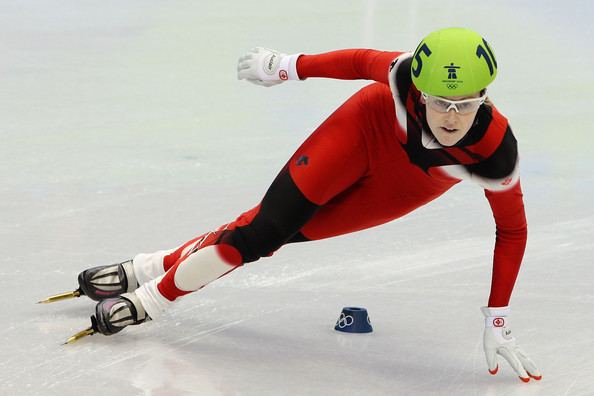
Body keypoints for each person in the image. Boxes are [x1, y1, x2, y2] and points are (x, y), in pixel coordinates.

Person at [63, 27, 542, 382]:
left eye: (466, 103)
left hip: (409, 184)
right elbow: (358, 60)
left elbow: (513, 231)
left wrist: (496, 317)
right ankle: (151, 299)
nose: (451, 116)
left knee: (278, 234)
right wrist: (287, 65)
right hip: (363, 130)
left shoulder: (496, 153)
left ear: (485, 95)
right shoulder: (399, 75)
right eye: (440, 101)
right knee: (261, 233)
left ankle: (151, 266)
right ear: (419, 89)